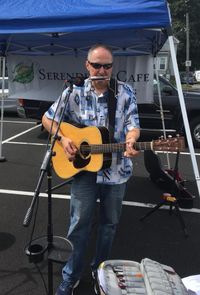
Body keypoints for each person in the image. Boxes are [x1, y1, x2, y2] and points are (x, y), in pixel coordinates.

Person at [42, 44, 140, 295]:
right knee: (78, 225)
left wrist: (131, 140)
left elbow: (133, 125)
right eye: (96, 65)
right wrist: (64, 139)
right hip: (83, 171)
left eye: (107, 65)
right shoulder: (73, 92)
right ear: (87, 65)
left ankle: (101, 273)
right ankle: (71, 274)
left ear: (112, 67)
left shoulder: (125, 92)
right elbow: (48, 118)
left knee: (109, 225)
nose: (102, 70)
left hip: (116, 171)